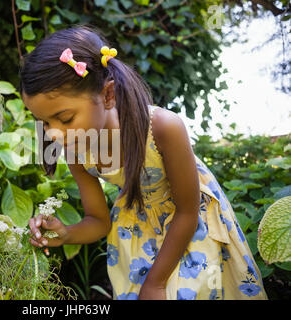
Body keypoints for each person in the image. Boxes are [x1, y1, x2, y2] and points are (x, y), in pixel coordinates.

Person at [19, 24, 267, 300]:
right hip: (137, 237)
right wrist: (66, 234)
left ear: (108, 95)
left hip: (191, 228)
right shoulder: (76, 150)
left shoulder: (162, 128)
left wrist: (156, 283)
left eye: (65, 119)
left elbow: (188, 211)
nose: (53, 133)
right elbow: (98, 221)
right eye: (44, 122)